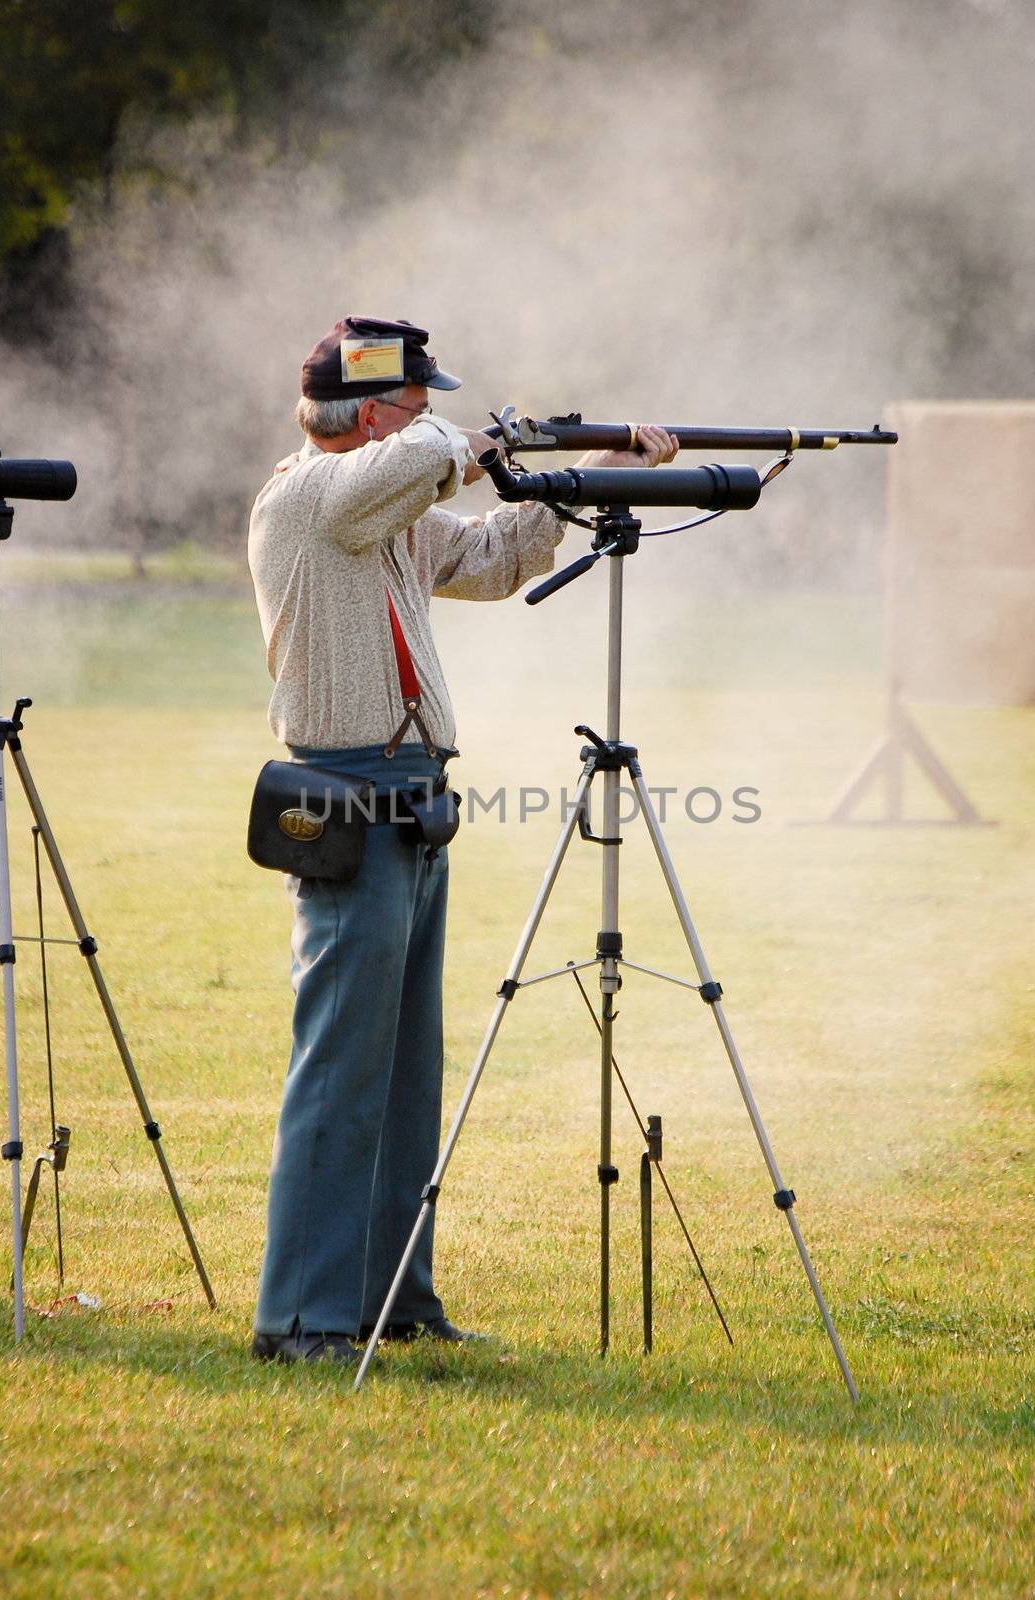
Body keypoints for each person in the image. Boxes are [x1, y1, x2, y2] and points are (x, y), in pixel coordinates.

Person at [247, 315, 677, 1362]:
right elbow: (431, 462)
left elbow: (489, 561)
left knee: (401, 1067)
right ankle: (302, 1315)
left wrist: (596, 471)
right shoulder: (313, 494)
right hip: (351, 791)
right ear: (379, 412)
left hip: (410, 797)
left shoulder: (381, 509)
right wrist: (478, 441)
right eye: (417, 399)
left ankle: (395, 1296)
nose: (434, 412)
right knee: (341, 1064)